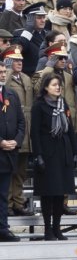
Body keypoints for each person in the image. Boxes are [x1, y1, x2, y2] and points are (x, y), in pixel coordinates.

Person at [29, 73, 77, 240]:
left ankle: (57, 228)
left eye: (59, 85)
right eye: (54, 85)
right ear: (45, 87)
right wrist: (38, 155)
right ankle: (48, 229)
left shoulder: (62, 103)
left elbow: (70, 129)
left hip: (63, 151)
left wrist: (75, 152)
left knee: (60, 192)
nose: (58, 87)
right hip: (48, 153)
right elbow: (34, 133)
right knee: (48, 192)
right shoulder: (39, 106)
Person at [0, 61, 26, 241]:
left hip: (8, 154)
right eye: (0, 72)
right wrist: (0, 142)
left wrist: (16, 141)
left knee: (3, 195)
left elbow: (21, 122)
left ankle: (3, 229)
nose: (3, 74)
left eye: (4, 71)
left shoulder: (11, 94)